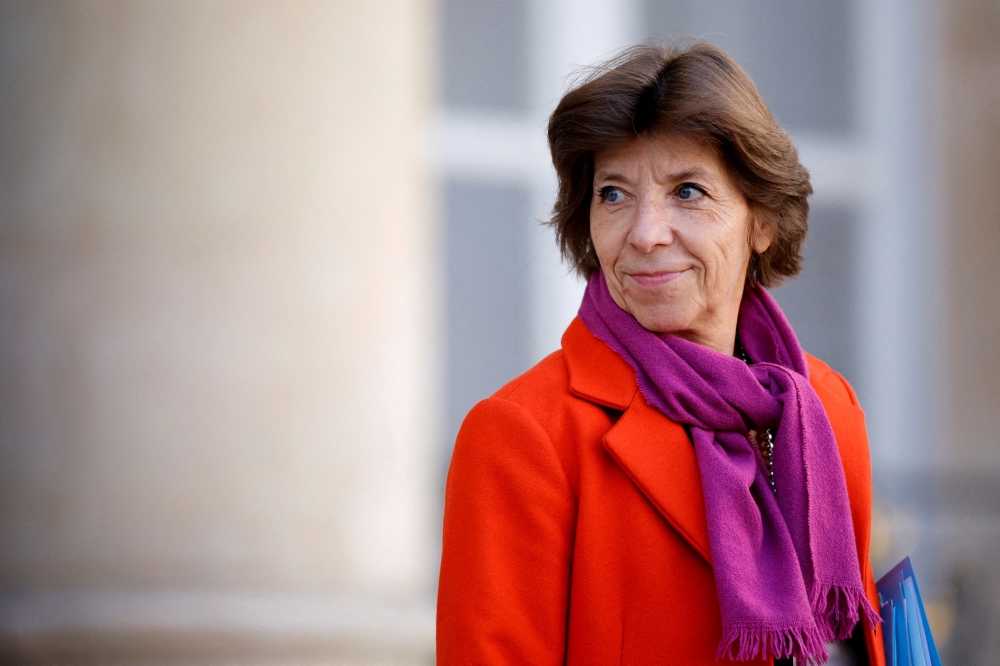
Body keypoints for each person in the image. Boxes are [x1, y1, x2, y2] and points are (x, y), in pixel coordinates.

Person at [437, 41, 885, 666]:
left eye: (688, 191)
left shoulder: (826, 408)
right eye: (613, 195)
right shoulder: (523, 436)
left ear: (761, 222)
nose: (645, 234)